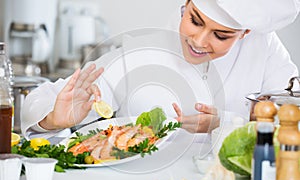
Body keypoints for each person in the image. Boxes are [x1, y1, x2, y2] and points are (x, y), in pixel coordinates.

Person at [21, 0, 299, 138]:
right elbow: (40, 100)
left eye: (221, 35)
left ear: (245, 33)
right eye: (195, 21)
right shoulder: (141, 51)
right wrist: (54, 119)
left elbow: (293, 124)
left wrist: (225, 124)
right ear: (186, 5)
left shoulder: (265, 51)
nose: (199, 42)